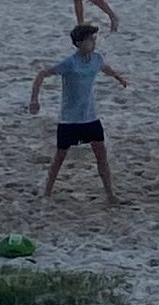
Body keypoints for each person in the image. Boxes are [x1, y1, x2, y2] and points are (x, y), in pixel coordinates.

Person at [30, 25, 125, 202]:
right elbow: (42, 74)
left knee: (101, 156)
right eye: (90, 40)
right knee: (59, 158)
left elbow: (105, 68)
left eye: (94, 39)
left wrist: (119, 78)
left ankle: (110, 194)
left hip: (90, 118)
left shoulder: (96, 58)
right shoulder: (69, 63)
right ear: (79, 43)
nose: (93, 42)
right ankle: (47, 193)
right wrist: (34, 99)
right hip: (69, 120)